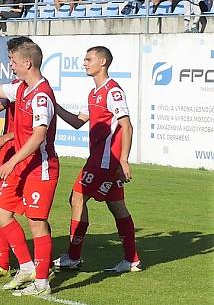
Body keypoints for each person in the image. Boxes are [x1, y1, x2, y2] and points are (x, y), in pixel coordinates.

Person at [0, 41, 59, 297]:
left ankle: (42, 283)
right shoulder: (21, 89)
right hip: (22, 165)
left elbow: (38, 137)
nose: (11, 65)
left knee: (36, 223)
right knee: (1, 212)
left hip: (39, 167)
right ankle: (27, 267)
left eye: (14, 61)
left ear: (27, 63)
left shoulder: (41, 96)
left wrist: (11, 161)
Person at [52, 46, 141, 274]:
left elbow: (126, 126)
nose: (84, 63)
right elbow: (77, 121)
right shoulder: (93, 94)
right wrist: (54, 105)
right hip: (101, 159)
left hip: (105, 160)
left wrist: (123, 161)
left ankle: (73, 257)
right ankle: (131, 259)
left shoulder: (112, 91)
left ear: (102, 62)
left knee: (77, 198)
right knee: (117, 207)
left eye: (88, 59)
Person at [0, 36, 34, 281]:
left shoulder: (36, 89)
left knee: (34, 215)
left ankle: (36, 266)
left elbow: (37, 128)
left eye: (12, 59)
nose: (10, 63)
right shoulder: (14, 87)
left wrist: (7, 137)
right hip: (8, 157)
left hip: (25, 157)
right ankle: (3, 263)